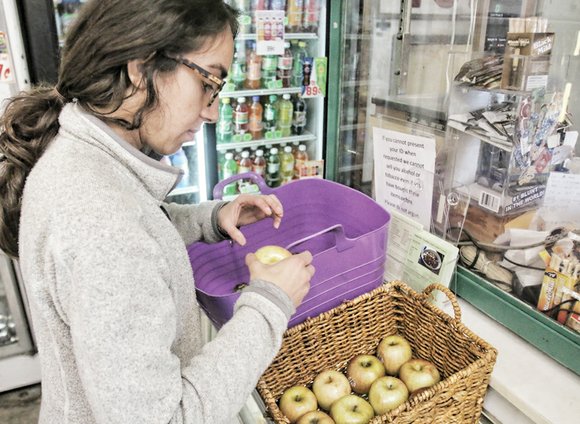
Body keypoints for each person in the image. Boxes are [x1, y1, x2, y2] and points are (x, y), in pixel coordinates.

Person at [0, 0, 314, 423]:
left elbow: (141, 223)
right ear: (140, 66)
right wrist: (269, 304)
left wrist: (211, 219)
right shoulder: (100, 224)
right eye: (208, 83)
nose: (212, 111)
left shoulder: (82, 158)